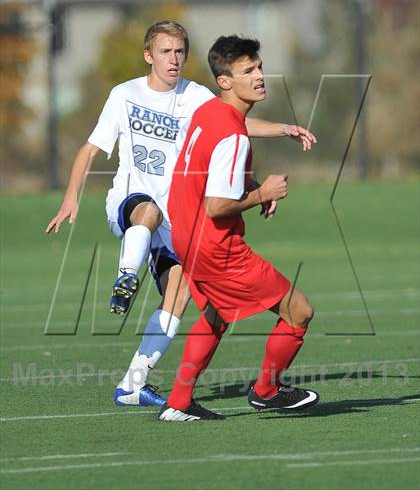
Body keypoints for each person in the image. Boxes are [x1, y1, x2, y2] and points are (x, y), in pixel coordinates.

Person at [46, 21, 316, 408]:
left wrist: (280, 132)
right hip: (131, 201)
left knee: (182, 292)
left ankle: (134, 384)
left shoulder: (197, 97)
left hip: (178, 215)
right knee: (148, 212)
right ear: (148, 55)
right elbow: (90, 149)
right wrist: (70, 197)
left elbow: (229, 129)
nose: (174, 59)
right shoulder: (124, 95)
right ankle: (125, 277)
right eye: (165, 51)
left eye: (180, 52)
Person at [160, 35, 319, 421]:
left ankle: (178, 402)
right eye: (248, 71)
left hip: (186, 238)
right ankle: (267, 390)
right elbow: (217, 206)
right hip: (217, 246)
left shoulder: (209, 113)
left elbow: (210, 174)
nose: (260, 75)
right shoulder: (232, 134)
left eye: (259, 66)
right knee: (300, 311)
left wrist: (252, 184)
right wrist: (262, 190)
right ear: (225, 80)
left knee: (215, 315)